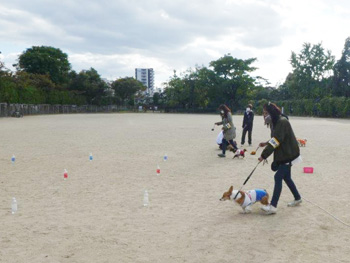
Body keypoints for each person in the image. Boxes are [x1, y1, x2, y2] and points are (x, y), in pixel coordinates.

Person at [258, 102, 302, 214]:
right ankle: (297, 198)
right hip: (284, 153)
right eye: (263, 113)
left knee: (278, 177)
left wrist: (264, 155)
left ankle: (273, 206)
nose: (264, 115)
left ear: (271, 112)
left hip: (288, 154)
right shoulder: (276, 122)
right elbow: (276, 138)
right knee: (286, 177)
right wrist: (266, 143)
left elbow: (276, 140)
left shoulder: (282, 122)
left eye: (266, 113)